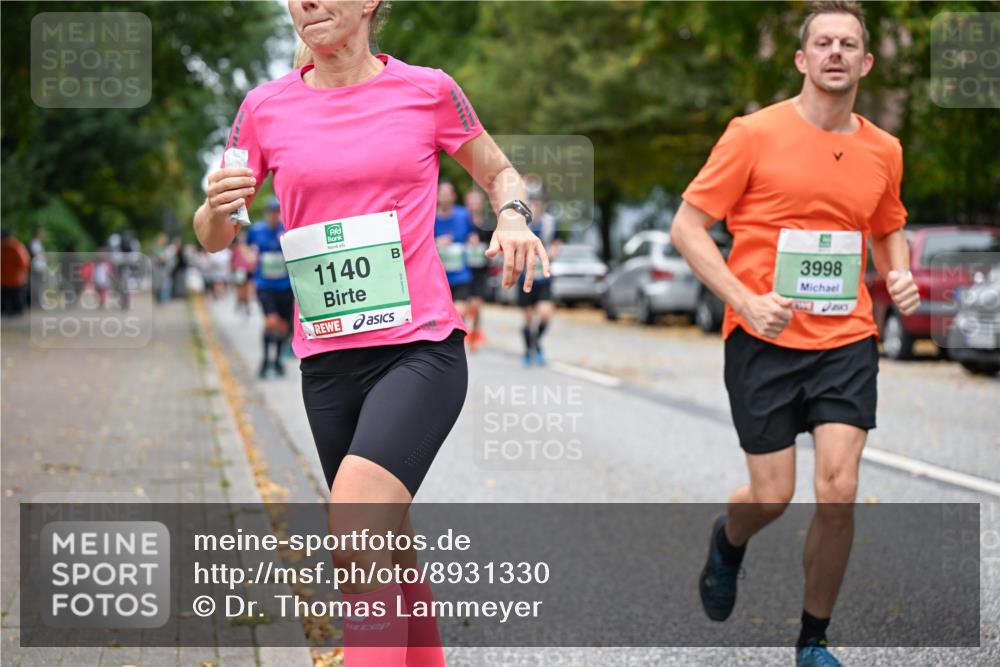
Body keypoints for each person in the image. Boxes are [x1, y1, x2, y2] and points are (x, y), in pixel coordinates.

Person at [192, 2, 548, 665]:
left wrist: (515, 216)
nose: (309, 2)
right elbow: (216, 233)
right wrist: (212, 208)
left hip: (419, 349)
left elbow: (500, 173)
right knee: (384, 541)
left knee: (356, 532)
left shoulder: (428, 90)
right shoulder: (264, 109)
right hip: (327, 361)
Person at [669, 3, 920, 666]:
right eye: (823, 42)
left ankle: (813, 638)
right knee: (773, 494)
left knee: (838, 488)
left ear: (865, 63)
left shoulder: (884, 149)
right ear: (803, 60)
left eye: (848, 44)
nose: (835, 52)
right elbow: (688, 228)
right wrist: (746, 301)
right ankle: (728, 541)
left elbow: (888, 223)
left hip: (846, 338)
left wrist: (897, 275)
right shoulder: (751, 134)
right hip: (762, 339)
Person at [246, 197, 294, 378]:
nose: (275, 216)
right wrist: (249, 256)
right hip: (265, 285)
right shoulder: (257, 230)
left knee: (282, 326)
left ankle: (277, 360)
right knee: (270, 321)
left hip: (285, 286)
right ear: (267, 213)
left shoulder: (286, 230)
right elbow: (243, 243)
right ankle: (265, 359)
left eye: (278, 212)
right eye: (272, 212)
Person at [518, 180, 561, 366]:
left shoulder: (550, 222)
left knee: (545, 314)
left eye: (538, 201)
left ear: (543, 203)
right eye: (532, 201)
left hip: (543, 275)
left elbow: (558, 242)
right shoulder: (520, 222)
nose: (535, 204)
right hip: (525, 275)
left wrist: (552, 253)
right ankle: (529, 350)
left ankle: (536, 342)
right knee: (528, 317)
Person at [433, 181, 473, 325]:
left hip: (460, 274)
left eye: (447, 195)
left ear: (454, 196)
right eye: (441, 194)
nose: (444, 198)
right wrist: (437, 243)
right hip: (438, 277)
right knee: (441, 317)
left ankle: (459, 338)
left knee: (460, 312)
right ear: (436, 196)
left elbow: (473, 234)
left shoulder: (464, 215)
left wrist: (473, 238)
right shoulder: (429, 217)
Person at [463, 188, 491, 351]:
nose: (474, 205)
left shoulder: (487, 224)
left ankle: (474, 336)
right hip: (464, 269)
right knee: (465, 306)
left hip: (481, 269)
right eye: (471, 202)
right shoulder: (462, 222)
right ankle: (461, 334)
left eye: (477, 202)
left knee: (478, 305)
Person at [1, 230, 30, 316]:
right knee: (10, 296)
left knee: (13, 296)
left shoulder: (15, 247)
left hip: (12, 278)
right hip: (9, 278)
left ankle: (15, 311)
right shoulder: (12, 247)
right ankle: (12, 311)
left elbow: (24, 262)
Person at [231, 231, 256, 315]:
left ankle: (245, 302)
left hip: (243, 270)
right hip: (242, 270)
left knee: (245, 287)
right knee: (243, 287)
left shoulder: (242, 248)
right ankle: (244, 302)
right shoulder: (240, 248)